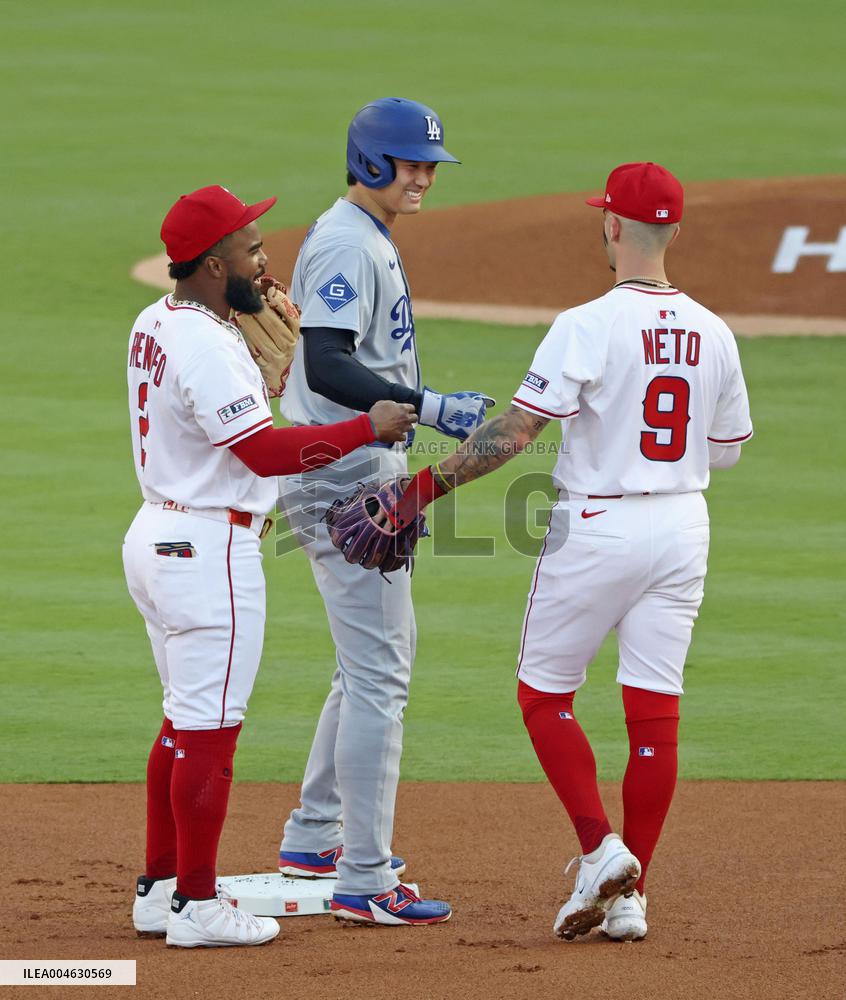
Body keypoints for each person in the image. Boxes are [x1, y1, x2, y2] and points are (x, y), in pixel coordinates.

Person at [386, 162, 753, 941]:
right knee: (654, 711)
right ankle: (631, 901)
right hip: (683, 528)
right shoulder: (716, 332)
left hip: (598, 525)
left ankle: (599, 849)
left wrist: (418, 491)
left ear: (611, 225)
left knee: (544, 695)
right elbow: (726, 451)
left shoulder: (586, 324)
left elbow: (516, 432)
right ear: (675, 231)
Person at [124, 184, 415, 948]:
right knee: (210, 733)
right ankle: (195, 904)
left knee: (181, 723)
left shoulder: (156, 321)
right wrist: (367, 427)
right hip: (207, 549)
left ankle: (161, 888)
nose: (265, 259)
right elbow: (262, 451)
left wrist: (262, 381)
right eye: (251, 248)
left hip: (157, 536)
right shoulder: (209, 346)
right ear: (214, 265)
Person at [266, 98, 493, 926]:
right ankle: (364, 878)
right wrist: (428, 406)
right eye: (409, 163)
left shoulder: (362, 235)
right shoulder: (346, 243)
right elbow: (325, 363)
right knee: (380, 677)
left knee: (361, 668)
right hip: (345, 474)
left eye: (431, 164)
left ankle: (314, 835)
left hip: (348, 468)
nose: (423, 176)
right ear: (369, 161)